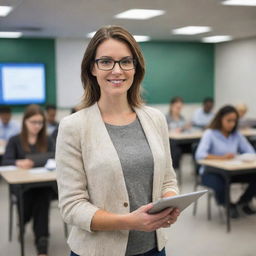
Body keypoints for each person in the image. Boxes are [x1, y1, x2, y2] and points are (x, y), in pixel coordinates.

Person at [56, 25, 180, 256]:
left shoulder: (155, 119)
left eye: (125, 61)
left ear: (135, 67)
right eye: (106, 61)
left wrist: (170, 203)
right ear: (92, 68)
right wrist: (128, 222)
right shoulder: (73, 126)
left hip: (154, 248)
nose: (117, 70)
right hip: (97, 250)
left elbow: (167, 180)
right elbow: (72, 207)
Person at [2, 104, 55, 256]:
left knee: (42, 197)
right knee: (32, 200)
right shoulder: (15, 140)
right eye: (33, 122)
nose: (37, 126)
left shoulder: (47, 139)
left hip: (45, 184)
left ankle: (42, 246)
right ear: (25, 121)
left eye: (40, 122)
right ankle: (25, 222)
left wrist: (36, 162)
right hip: (22, 186)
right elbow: (5, 161)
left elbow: (55, 157)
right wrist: (18, 162)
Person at [195, 105, 256, 218]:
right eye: (229, 120)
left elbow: (251, 152)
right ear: (220, 119)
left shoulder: (236, 134)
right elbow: (200, 155)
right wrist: (222, 158)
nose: (232, 124)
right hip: (211, 172)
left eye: (234, 121)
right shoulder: (210, 133)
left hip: (232, 171)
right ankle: (227, 205)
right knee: (220, 184)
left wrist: (243, 157)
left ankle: (243, 202)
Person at [166, 97, 191, 170]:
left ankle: (198, 170)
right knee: (175, 149)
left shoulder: (182, 118)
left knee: (195, 146)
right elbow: (165, 131)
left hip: (183, 141)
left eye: (180, 108)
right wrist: (177, 130)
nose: (179, 109)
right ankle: (174, 169)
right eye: (177, 107)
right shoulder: (166, 118)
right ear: (171, 106)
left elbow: (185, 130)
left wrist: (186, 128)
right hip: (172, 142)